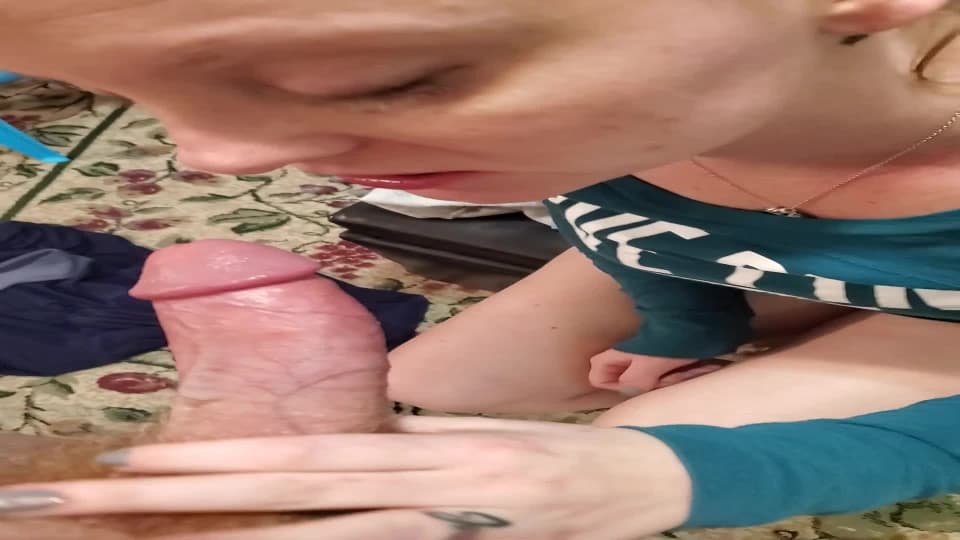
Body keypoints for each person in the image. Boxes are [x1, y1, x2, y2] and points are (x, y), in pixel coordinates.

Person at [0, 1, 958, 538]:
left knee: (654, 437)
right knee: (431, 386)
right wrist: (686, 329)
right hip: (789, 248)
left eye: (377, 80)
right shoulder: (627, 115)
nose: (214, 160)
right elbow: (624, 226)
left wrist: (678, 474)